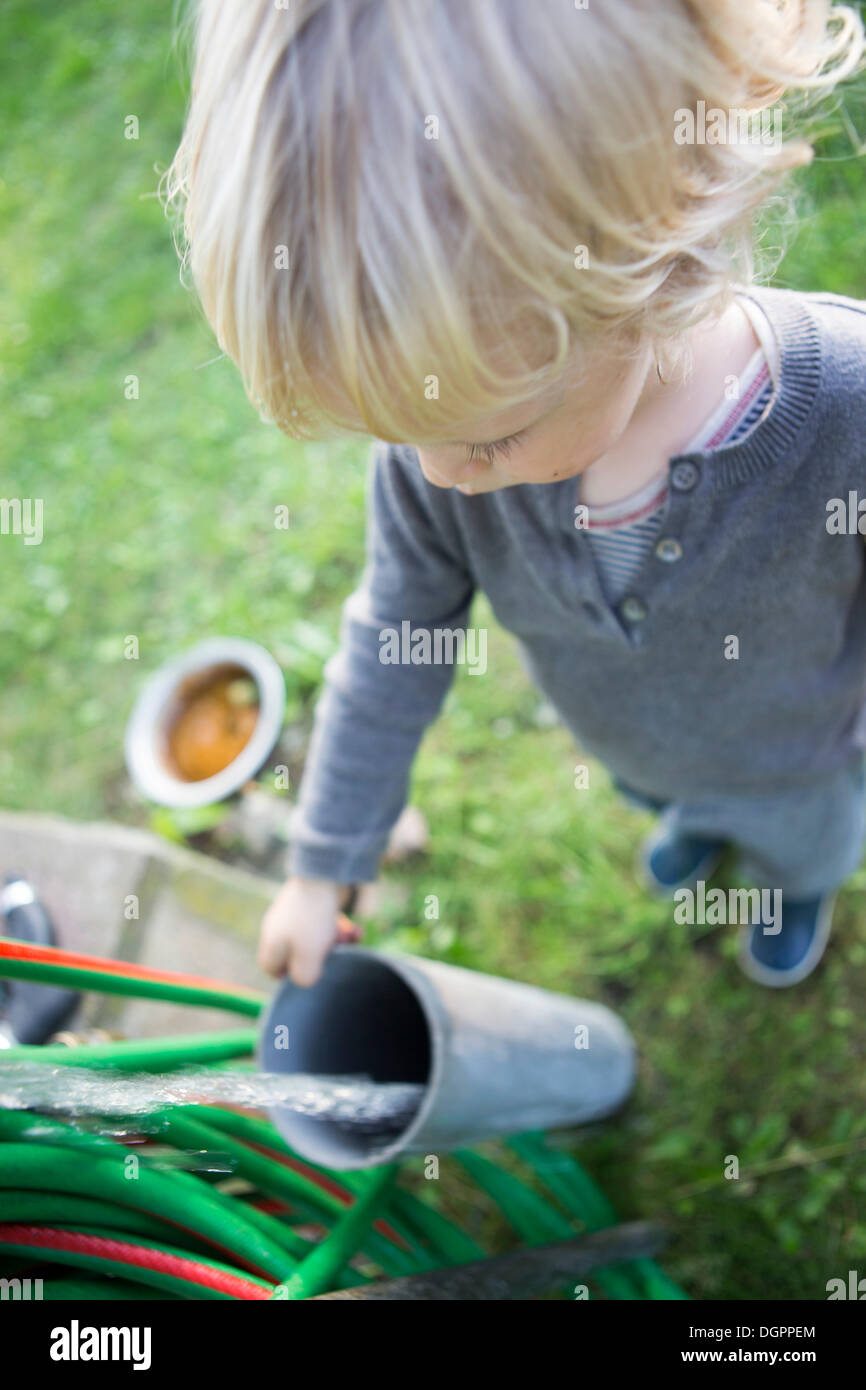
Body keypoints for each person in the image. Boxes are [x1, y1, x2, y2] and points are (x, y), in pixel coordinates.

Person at [164, 0, 866, 989]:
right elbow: (392, 644)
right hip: (634, 747)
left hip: (795, 761)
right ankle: (693, 826)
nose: (439, 472)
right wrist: (324, 866)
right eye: (402, 437)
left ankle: (788, 889)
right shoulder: (440, 458)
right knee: (660, 797)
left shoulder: (844, 408)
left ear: (652, 238)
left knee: (802, 842)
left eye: (487, 436)